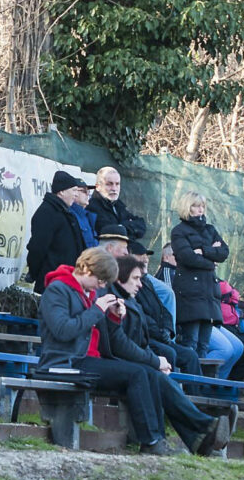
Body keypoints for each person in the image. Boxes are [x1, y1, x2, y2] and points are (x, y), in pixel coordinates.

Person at [37, 247, 213, 455]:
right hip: (65, 362)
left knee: (148, 373)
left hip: (88, 360)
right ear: (87, 270)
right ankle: (152, 441)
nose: (102, 286)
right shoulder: (58, 289)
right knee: (138, 373)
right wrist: (97, 310)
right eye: (101, 281)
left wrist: (113, 317)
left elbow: (107, 336)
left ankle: (163, 440)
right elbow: (62, 330)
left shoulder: (89, 292)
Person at [168, 191, 229, 357]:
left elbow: (224, 252)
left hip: (209, 293)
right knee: (191, 342)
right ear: (187, 207)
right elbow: (187, 257)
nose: (200, 209)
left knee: (204, 345)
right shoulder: (179, 231)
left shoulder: (210, 229)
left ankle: (201, 375)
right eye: (196, 206)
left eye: (202, 206)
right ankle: (189, 374)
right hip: (190, 292)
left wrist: (203, 250)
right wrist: (211, 261)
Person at [24, 170, 95, 290]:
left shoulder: (66, 213)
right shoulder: (47, 213)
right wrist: (35, 272)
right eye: (74, 190)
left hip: (67, 280)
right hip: (52, 282)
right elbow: (37, 248)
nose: (75, 195)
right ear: (61, 191)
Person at [87, 166, 148, 242]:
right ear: (98, 187)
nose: (114, 188)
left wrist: (122, 226)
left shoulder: (117, 204)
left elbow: (141, 225)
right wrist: (128, 225)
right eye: (109, 184)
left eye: (117, 184)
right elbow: (110, 233)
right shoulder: (92, 207)